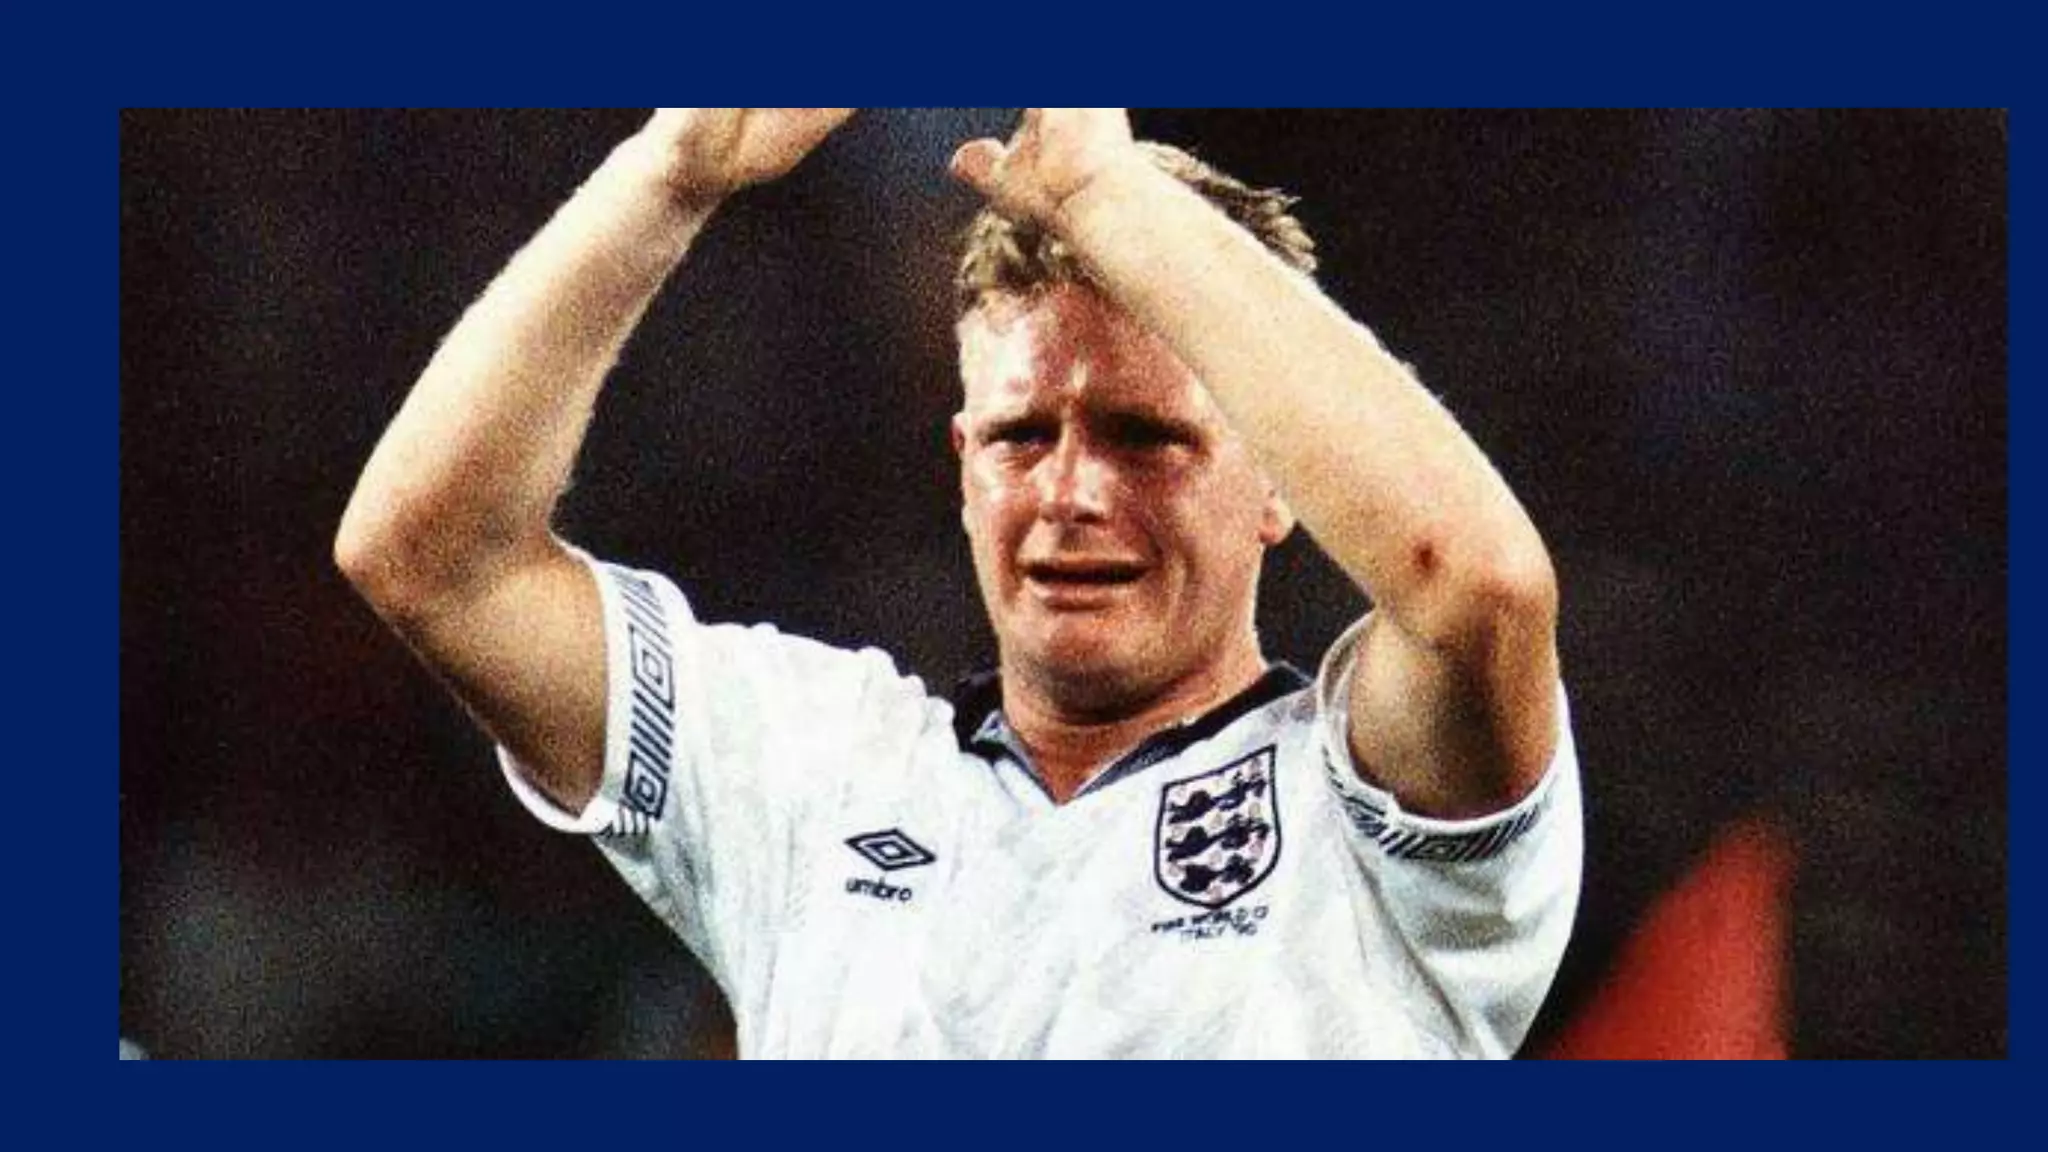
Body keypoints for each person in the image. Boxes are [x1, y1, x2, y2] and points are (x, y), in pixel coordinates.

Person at [336, 108, 1582, 1058]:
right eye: (1021, 436)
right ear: (964, 469)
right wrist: (668, 172)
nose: (1071, 491)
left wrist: (1107, 196)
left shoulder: (1374, 810)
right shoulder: (815, 775)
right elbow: (430, 562)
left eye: (1145, 437)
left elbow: (1476, 589)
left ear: (1278, 483)